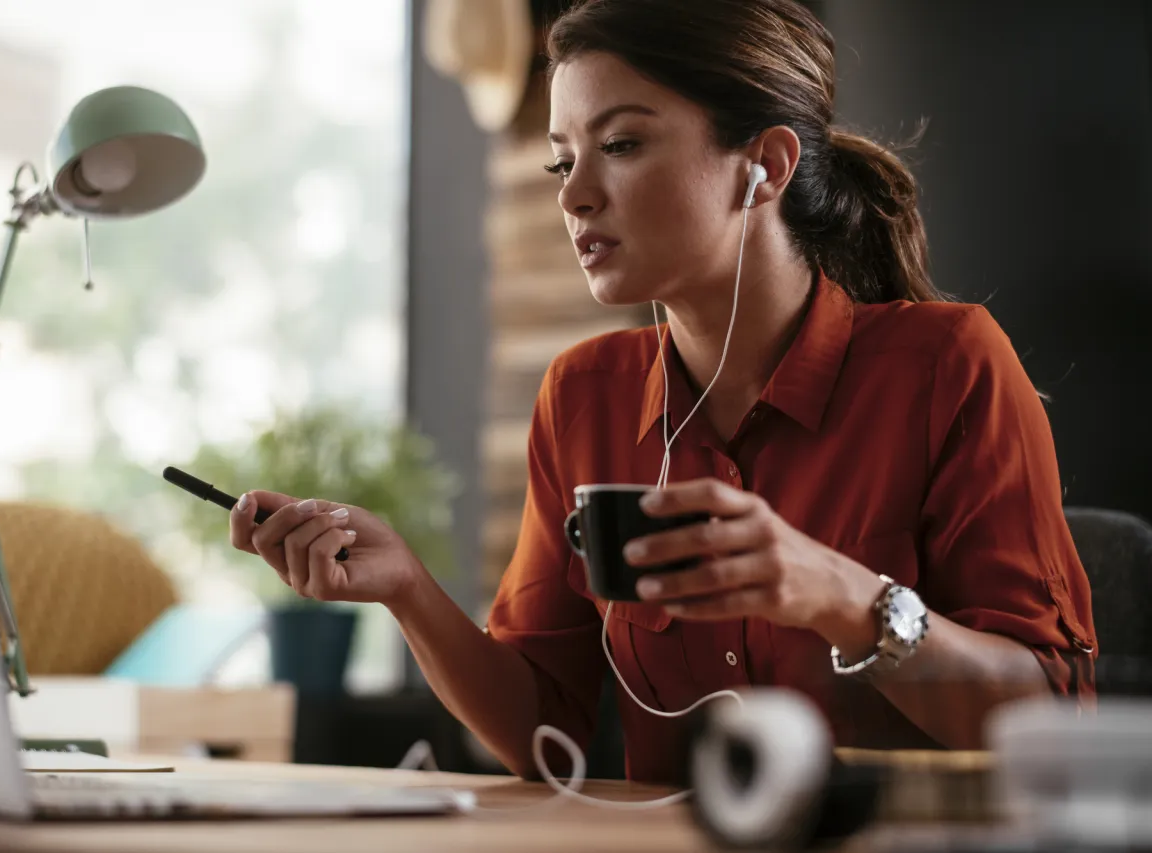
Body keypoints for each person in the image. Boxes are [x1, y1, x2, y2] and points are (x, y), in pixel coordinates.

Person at [229, 0, 1097, 785]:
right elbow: (546, 734)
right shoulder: (584, 397)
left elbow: (1053, 717)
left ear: (764, 165)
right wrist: (406, 588)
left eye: (621, 145)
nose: (574, 194)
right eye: (561, 161)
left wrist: (837, 596)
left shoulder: (947, 366)